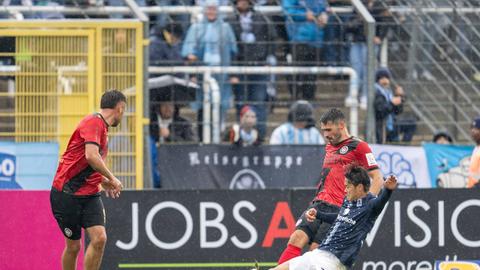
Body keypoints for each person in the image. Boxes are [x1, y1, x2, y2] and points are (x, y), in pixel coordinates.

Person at [276, 108, 383, 264]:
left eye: (329, 130)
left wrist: (364, 208)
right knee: (295, 239)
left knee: (315, 253)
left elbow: (378, 178)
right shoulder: (329, 146)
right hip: (318, 204)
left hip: (338, 208)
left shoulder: (359, 146)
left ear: (341, 125)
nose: (325, 134)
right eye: (323, 130)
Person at [50, 90, 126, 270]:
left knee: (100, 238)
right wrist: (111, 177)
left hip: (90, 194)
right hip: (66, 193)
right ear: (120, 108)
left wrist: (102, 180)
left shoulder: (103, 128)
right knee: (74, 247)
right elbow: (91, 156)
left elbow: (86, 164)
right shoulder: (94, 121)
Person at [270, 165, 398, 270]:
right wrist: (318, 215)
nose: (345, 189)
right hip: (318, 254)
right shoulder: (348, 201)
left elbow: (382, 201)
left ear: (359, 187)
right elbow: (340, 218)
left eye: (348, 186)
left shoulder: (370, 206)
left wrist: (387, 190)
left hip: (333, 263)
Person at [182, 0, 237, 140]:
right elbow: (189, 51)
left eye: (214, 9)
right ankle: (203, 137)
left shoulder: (225, 28)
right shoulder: (196, 27)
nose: (211, 12)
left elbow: (232, 51)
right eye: (208, 9)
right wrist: (193, 72)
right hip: (201, 72)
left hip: (221, 72)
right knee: (203, 105)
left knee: (218, 104)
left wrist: (232, 73)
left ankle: (216, 135)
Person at [226, 0, 277, 140]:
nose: (241, 3)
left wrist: (268, 58)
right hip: (240, 67)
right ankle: (241, 136)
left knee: (258, 102)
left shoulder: (262, 19)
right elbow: (229, 49)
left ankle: (259, 136)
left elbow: (271, 39)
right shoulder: (230, 21)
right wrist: (233, 72)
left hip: (258, 67)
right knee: (241, 103)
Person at [373, 67, 404, 144]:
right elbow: (380, 112)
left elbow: (398, 111)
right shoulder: (377, 92)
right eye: (382, 78)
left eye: (387, 78)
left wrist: (399, 96)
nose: (385, 81)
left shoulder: (389, 93)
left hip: (390, 125)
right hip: (381, 127)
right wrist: (392, 103)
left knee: (411, 125)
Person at [467, 116, 480, 188]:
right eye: (472, 128)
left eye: (476, 128)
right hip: (473, 190)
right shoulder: (476, 149)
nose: (473, 131)